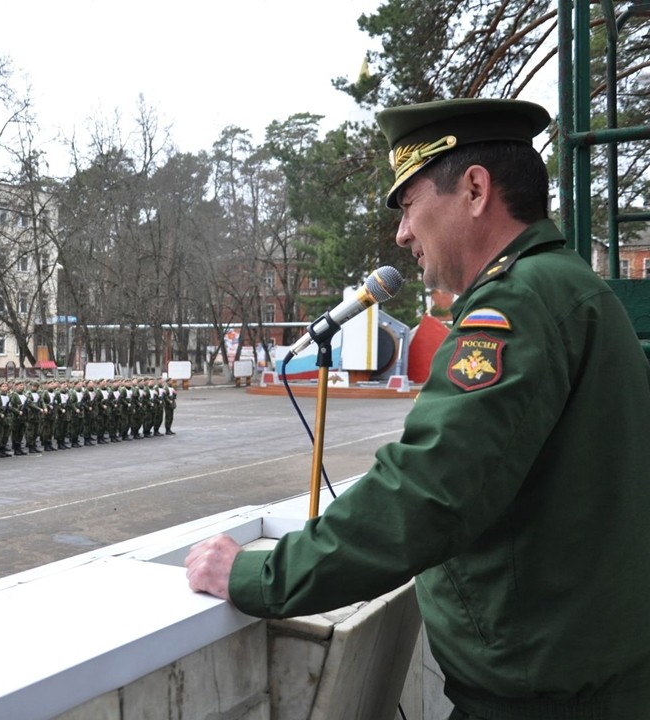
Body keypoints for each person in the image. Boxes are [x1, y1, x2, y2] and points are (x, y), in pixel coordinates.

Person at [184, 98, 650, 719]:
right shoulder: (572, 286)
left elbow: (428, 490)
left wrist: (258, 575)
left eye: (408, 204)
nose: (403, 234)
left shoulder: (515, 305)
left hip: (545, 697)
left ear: (475, 190)